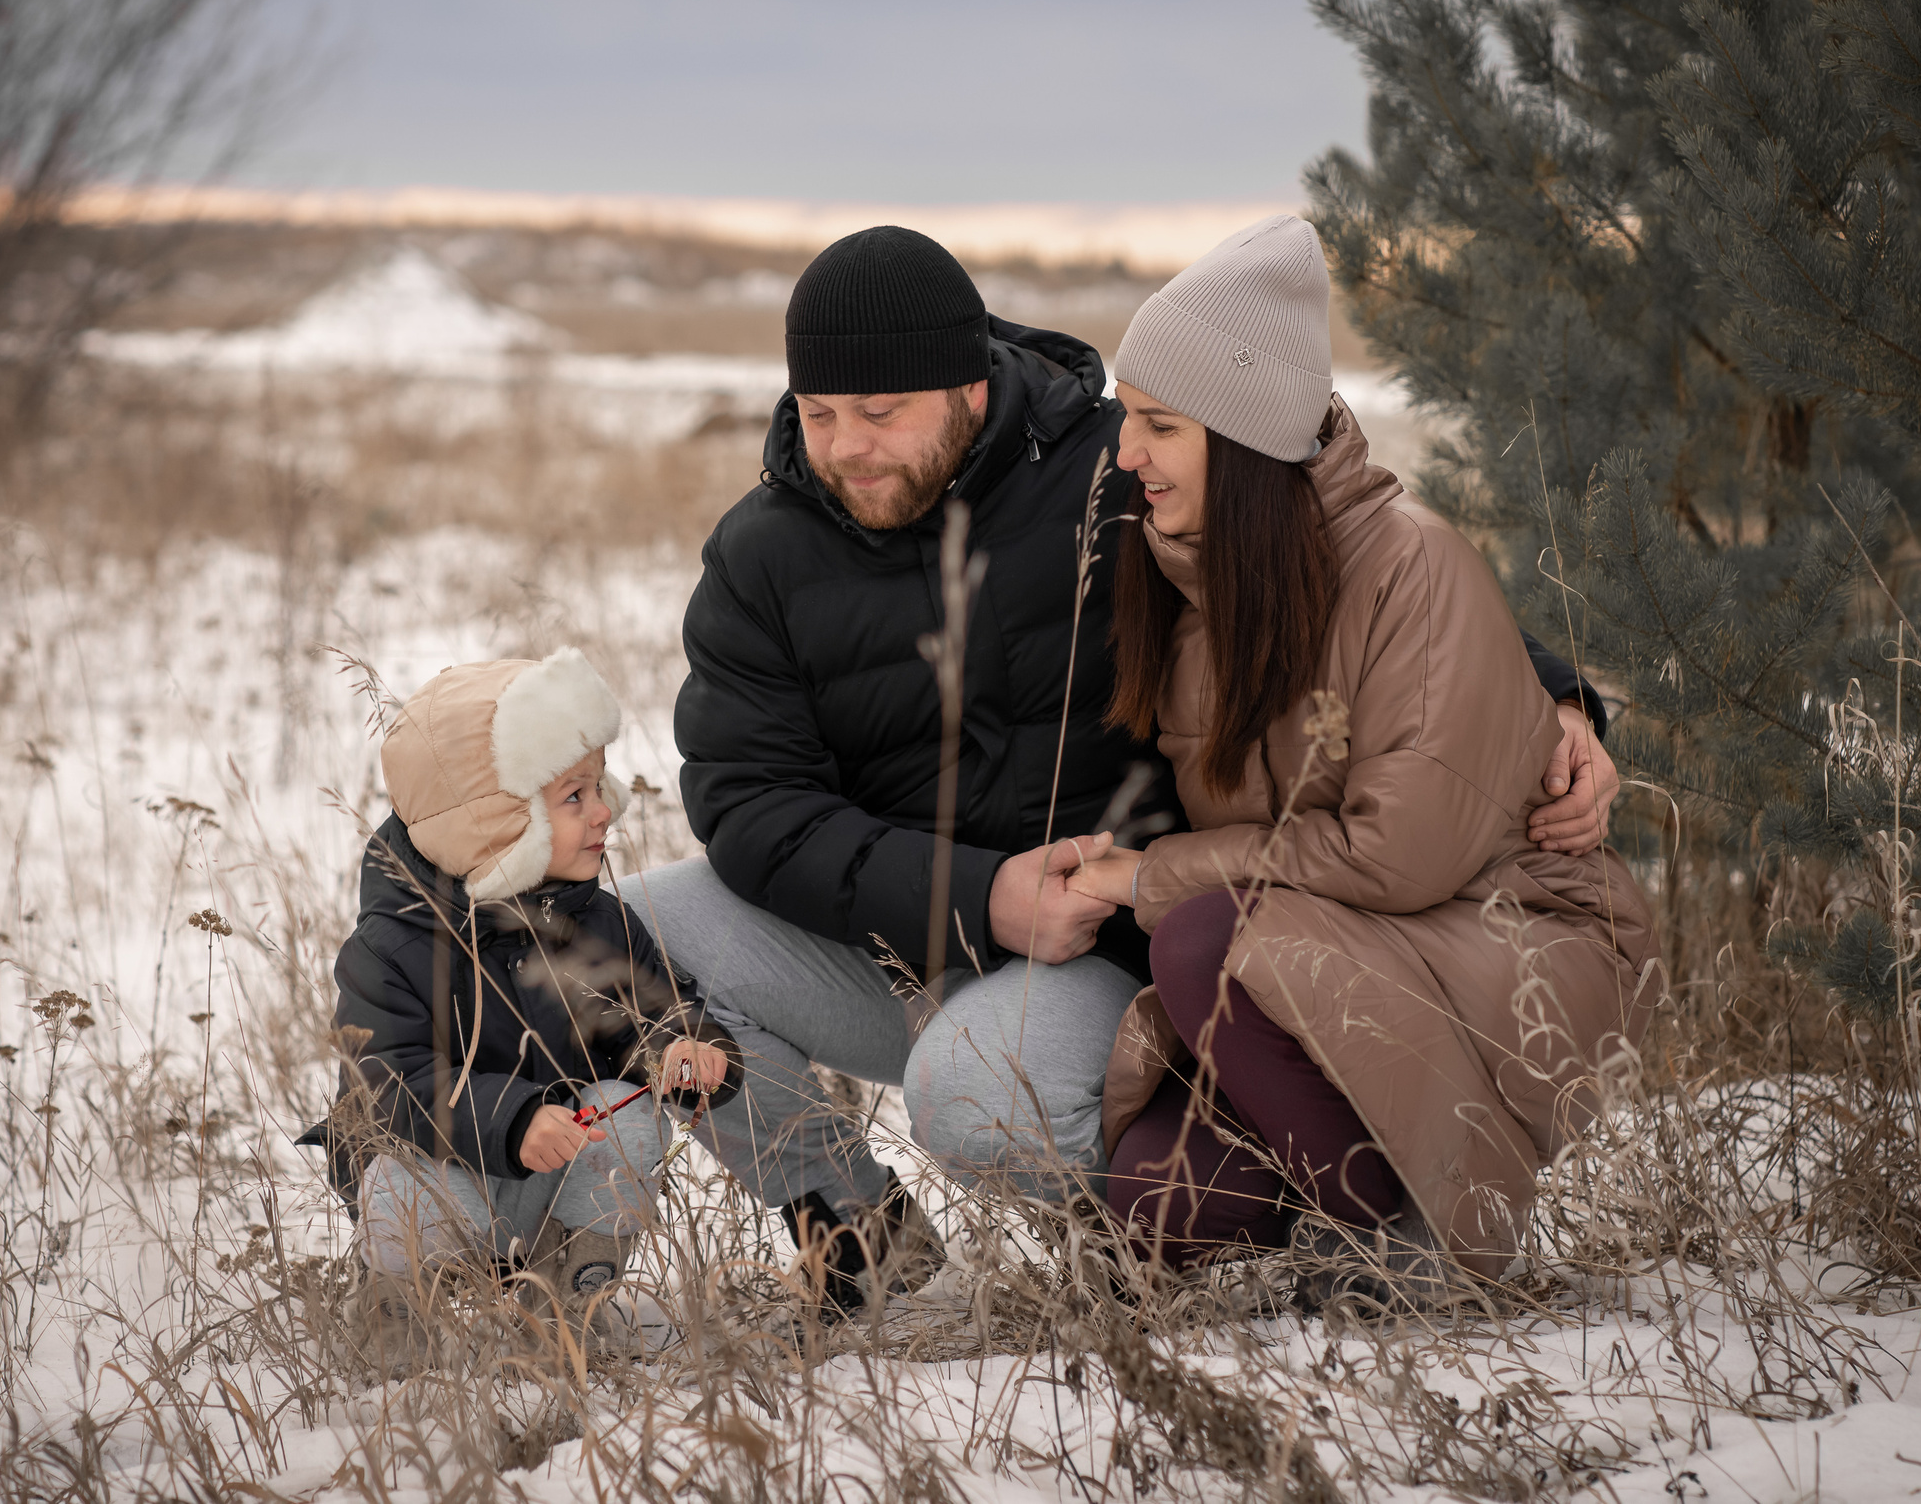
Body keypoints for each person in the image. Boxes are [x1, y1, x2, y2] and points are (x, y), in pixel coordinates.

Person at [617, 224, 1626, 1312]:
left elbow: (1338, 554)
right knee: (608, 939)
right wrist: (979, 898)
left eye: (881, 413)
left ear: (966, 385)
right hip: (909, 942)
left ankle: (1195, 1207)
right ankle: (852, 1230)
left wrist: (1550, 699)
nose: (848, 446)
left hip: (1118, 943)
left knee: (972, 1099)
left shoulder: (1114, 466)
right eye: (819, 415)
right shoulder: (761, 555)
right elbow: (750, 804)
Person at [1062, 216, 1662, 1305]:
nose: (1125, 453)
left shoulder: (1412, 565)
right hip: (1336, 951)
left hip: (1500, 934)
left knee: (1199, 936)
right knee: (1153, 1201)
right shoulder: (1189, 578)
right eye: (1125, 421)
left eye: (1157, 425)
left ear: (1242, 442)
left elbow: (1401, 855)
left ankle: (1419, 1228)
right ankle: (1328, 1166)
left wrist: (1144, 878)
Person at [310, 649, 742, 1372]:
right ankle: (395, 1325)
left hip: (556, 1175)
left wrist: (682, 1044)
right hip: (444, 1181)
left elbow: (650, 1010)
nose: (605, 810)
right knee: (395, 1175)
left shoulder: (595, 922)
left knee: (626, 1118)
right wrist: (510, 1118)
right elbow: (391, 1083)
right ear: (492, 821)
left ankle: (565, 1311)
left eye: (598, 785)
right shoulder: (389, 948)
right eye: (573, 796)